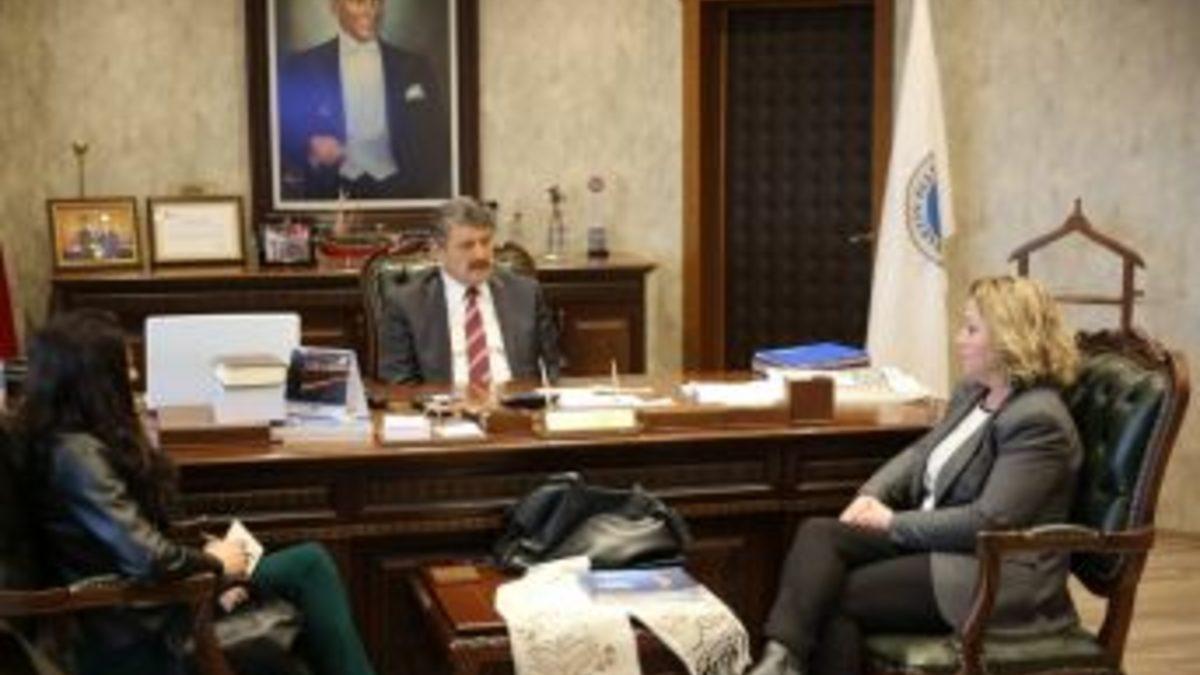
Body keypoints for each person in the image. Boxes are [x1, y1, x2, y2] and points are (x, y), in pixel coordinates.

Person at [748, 276, 1083, 675]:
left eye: (971, 329)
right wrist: (872, 494)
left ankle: (779, 666)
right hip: (946, 546)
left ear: (1009, 339)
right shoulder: (975, 392)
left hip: (996, 575)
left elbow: (989, 521)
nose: (958, 339)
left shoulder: (1037, 419)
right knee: (819, 533)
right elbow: (920, 453)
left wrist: (892, 523)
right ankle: (779, 659)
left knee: (834, 596)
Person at [15, 309, 377, 675]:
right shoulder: (77, 456)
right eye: (126, 368)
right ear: (96, 381)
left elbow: (132, 540)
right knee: (309, 566)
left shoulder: (66, 442)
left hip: (152, 603)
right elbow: (147, 558)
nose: (134, 376)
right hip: (145, 625)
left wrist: (208, 566)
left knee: (306, 567)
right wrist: (214, 566)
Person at [379, 196, 561, 386]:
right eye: (467, 245)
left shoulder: (526, 293)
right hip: (447, 403)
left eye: (485, 242)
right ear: (437, 251)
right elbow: (399, 383)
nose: (480, 255)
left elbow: (552, 368)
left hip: (518, 401)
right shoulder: (407, 303)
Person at [278, 0, 450, 200]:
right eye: (359, 2)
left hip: (401, 191)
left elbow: (438, 136)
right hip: (330, 190)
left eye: (376, 3)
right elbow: (282, 131)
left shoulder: (415, 66)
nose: (370, 12)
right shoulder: (304, 65)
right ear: (335, 7)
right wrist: (309, 147)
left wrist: (418, 186)